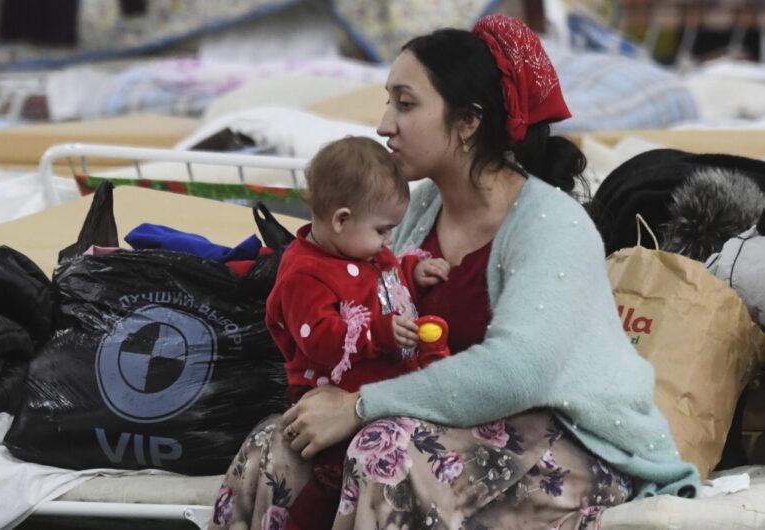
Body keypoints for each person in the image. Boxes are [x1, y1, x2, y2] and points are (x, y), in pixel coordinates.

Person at [209, 14, 700, 530]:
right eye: (388, 102)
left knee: (388, 452)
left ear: (467, 122)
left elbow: (517, 372)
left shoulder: (552, 225)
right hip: (441, 426)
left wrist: (359, 405)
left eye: (405, 103)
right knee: (278, 445)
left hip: (572, 443)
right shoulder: (413, 214)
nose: (384, 125)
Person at [266, 136, 452, 527]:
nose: (389, 242)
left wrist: (412, 275)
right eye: (384, 230)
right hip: (326, 392)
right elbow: (319, 339)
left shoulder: (365, 250)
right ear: (341, 219)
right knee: (335, 473)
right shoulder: (305, 273)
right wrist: (379, 334)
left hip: (376, 386)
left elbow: (386, 288)